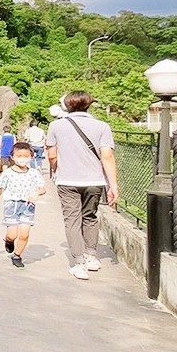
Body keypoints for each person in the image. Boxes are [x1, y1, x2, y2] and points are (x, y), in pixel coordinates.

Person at [46, 91, 118, 281]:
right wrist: (113, 186)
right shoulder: (102, 126)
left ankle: (78, 263)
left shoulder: (56, 126)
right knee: (90, 217)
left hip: (67, 180)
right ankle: (91, 256)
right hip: (95, 181)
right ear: (89, 105)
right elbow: (107, 156)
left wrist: (55, 170)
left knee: (72, 220)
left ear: (67, 106)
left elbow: (52, 156)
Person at [0, 142, 47, 268]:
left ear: (31, 157)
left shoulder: (34, 173)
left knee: (24, 233)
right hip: (11, 205)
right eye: (19, 156)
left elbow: (43, 189)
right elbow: (0, 189)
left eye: (26, 156)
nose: (22, 159)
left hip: (27, 205)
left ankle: (17, 255)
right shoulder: (8, 173)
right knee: (12, 234)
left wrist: (36, 194)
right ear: (13, 157)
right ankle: (9, 241)